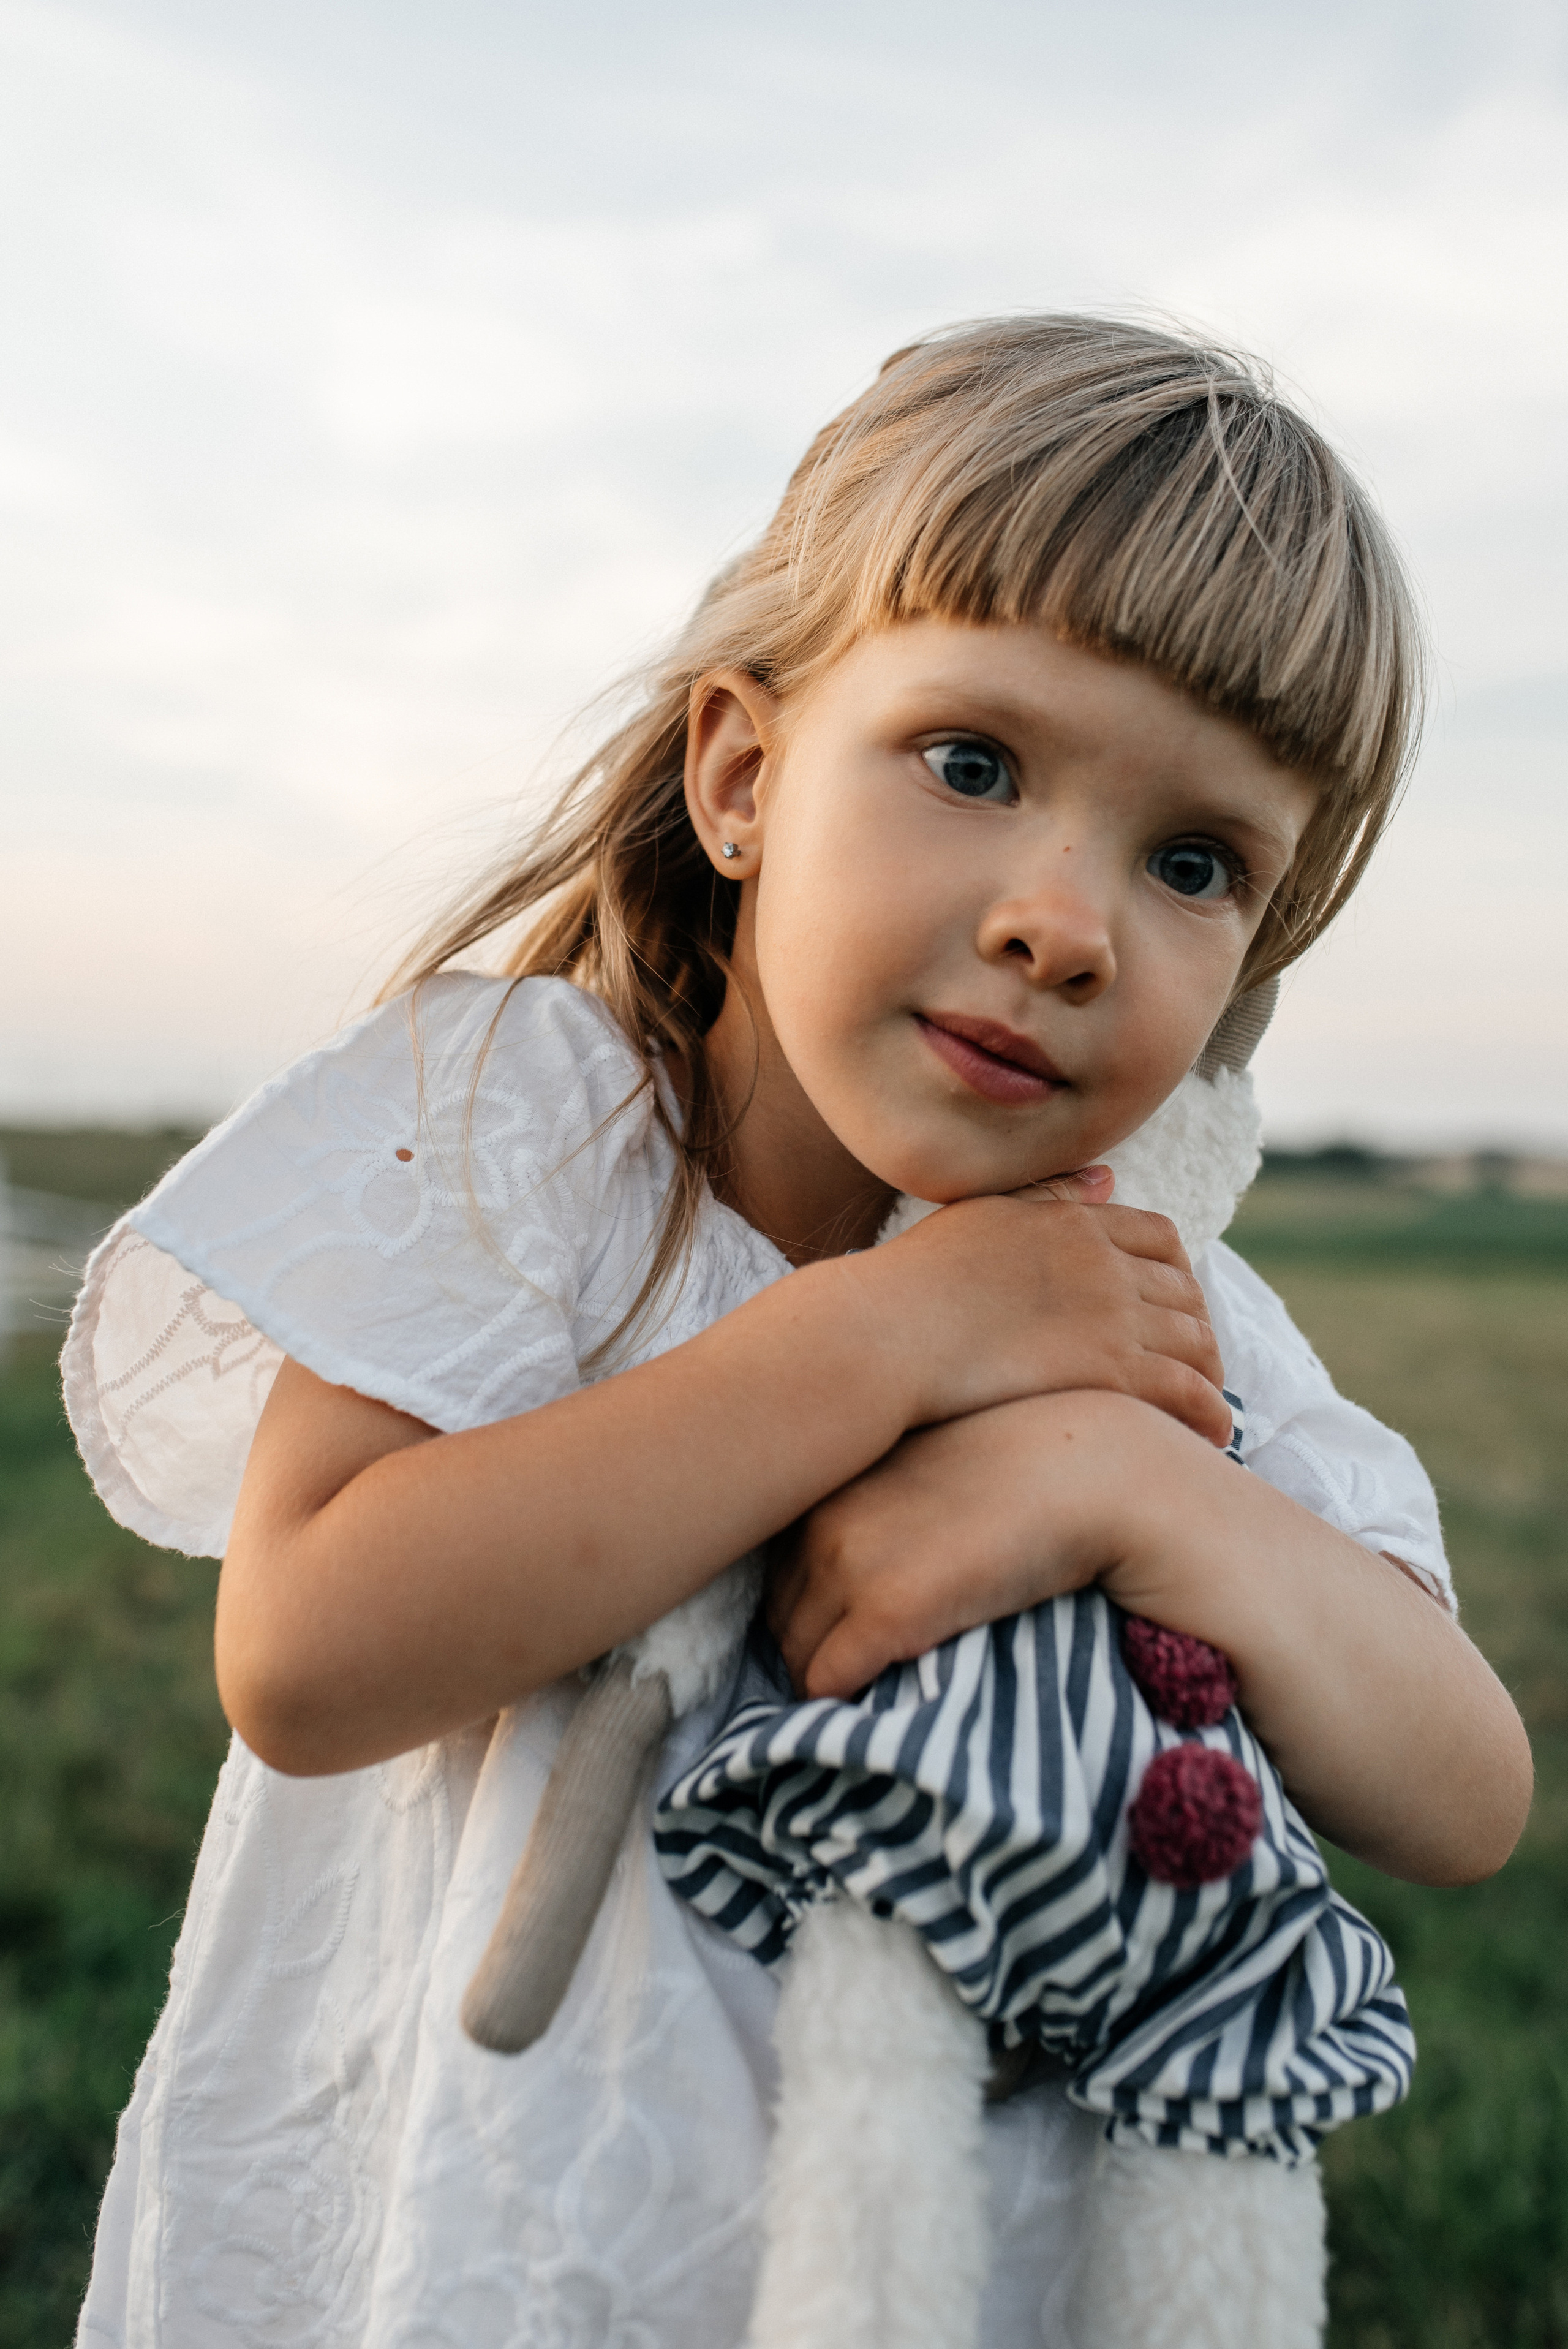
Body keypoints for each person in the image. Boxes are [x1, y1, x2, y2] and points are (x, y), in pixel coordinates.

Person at [64, 316, 1531, 2349]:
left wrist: (1115, 1477)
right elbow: (309, 1652)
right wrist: (894, 1338)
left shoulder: (1147, 1311)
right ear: (745, 774)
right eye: (974, 762)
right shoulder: (536, 1130)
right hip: (463, 2256)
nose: (1064, 919)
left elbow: (1461, 1789)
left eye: (1196, 862)